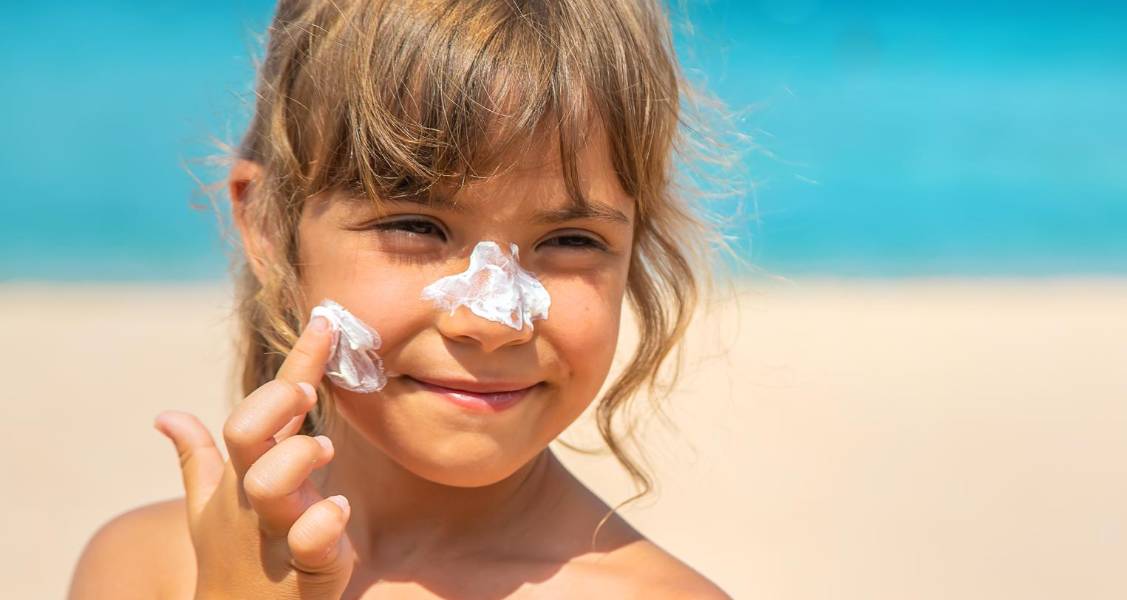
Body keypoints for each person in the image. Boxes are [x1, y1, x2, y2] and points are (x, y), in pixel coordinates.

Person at [69, 0, 737, 597]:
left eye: (570, 239)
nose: (491, 321)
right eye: (417, 226)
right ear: (271, 228)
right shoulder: (143, 569)